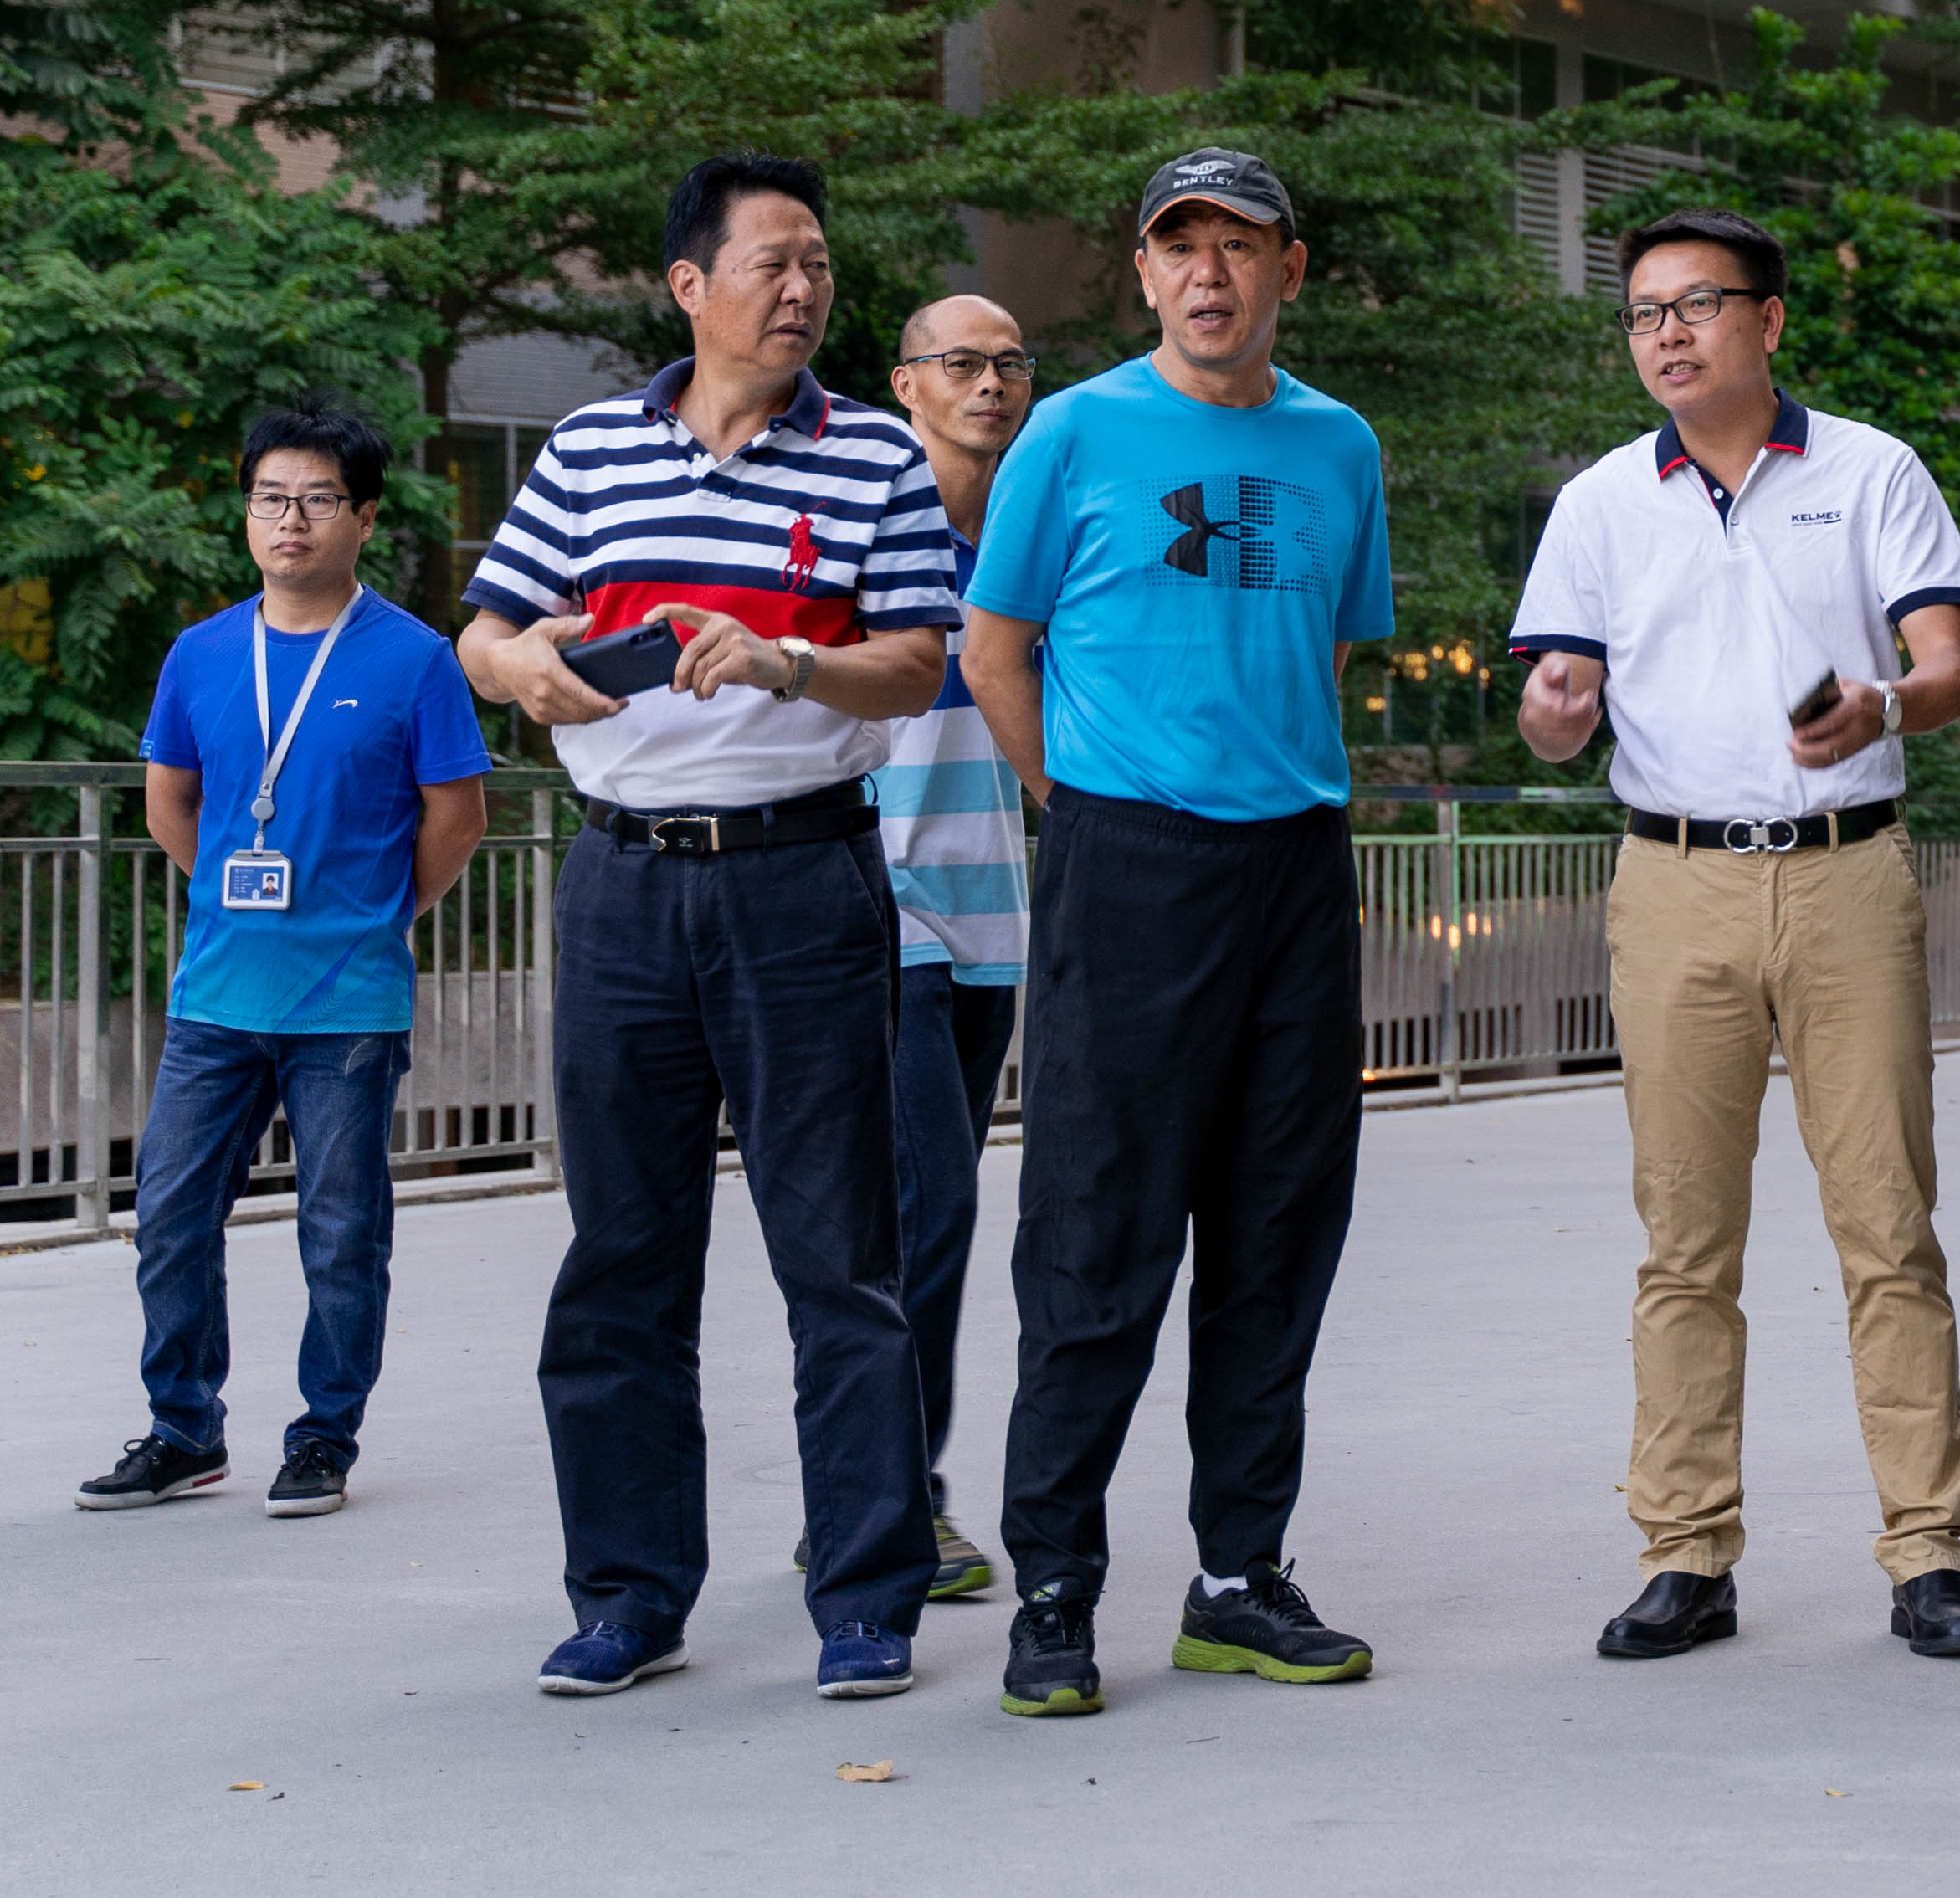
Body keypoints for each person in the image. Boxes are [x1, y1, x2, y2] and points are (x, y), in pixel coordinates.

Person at [459, 154, 957, 1705]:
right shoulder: (589, 449)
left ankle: (865, 1597)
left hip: (803, 880)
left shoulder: (876, 456)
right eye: (770, 264)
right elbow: (485, 631)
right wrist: (519, 671)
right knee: (621, 1253)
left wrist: (784, 663)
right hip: (621, 884)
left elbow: (918, 664)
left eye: (819, 264)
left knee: (840, 1254)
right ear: (689, 285)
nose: (802, 290)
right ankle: (626, 1598)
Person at [1507, 208, 1960, 1666]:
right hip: (1674, 885)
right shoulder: (1599, 500)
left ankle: (1928, 1554)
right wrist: (1551, 713)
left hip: (1847, 875)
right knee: (1683, 1242)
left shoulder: (1869, 470)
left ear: (1768, 321)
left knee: (1888, 1229)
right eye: (1643, 312)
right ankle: (1684, 1554)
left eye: (1697, 305)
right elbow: (1555, 705)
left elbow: (1952, 666)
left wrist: (1884, 705)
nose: (1665, 334)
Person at [961, 150, 1396, 1718]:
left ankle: (1237, 1578)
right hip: (1126, 861)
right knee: (1098, 1231)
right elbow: (993, 651)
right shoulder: (1073, 432)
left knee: (1278, 1231)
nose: (1210, 274)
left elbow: (1323, 650)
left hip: (1295, 869)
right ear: (1143, 272)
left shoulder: (1340, 443)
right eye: (1180, 247)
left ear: (1290, 269)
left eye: (1240, 246)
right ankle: (1054, 1588)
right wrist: (1085, 808)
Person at [82, 410, 488, 1522]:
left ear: (365, 516)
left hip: (348, 1000)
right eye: (270, 497)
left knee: (341, 1234)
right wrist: (235, 898)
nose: (290, 519)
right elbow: (171, 804)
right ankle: (183, 1432)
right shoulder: (201, 652)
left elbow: (456, 818)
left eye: (317, 498)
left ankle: (322, 1438)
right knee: (169, 1214)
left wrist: (376, 914)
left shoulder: (415, 659)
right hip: (217, 994)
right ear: (247, 511)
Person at [861, 295, 1040, 1604]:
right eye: (962, 363)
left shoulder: (1029, 536)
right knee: (931, 1206)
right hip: (879, 909)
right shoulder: (869, 528)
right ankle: (891, 1498)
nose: (990, 383)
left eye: (1010, 364)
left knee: (927, 1212)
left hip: (992, 922)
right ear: (906, 383)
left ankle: (869, 1487)